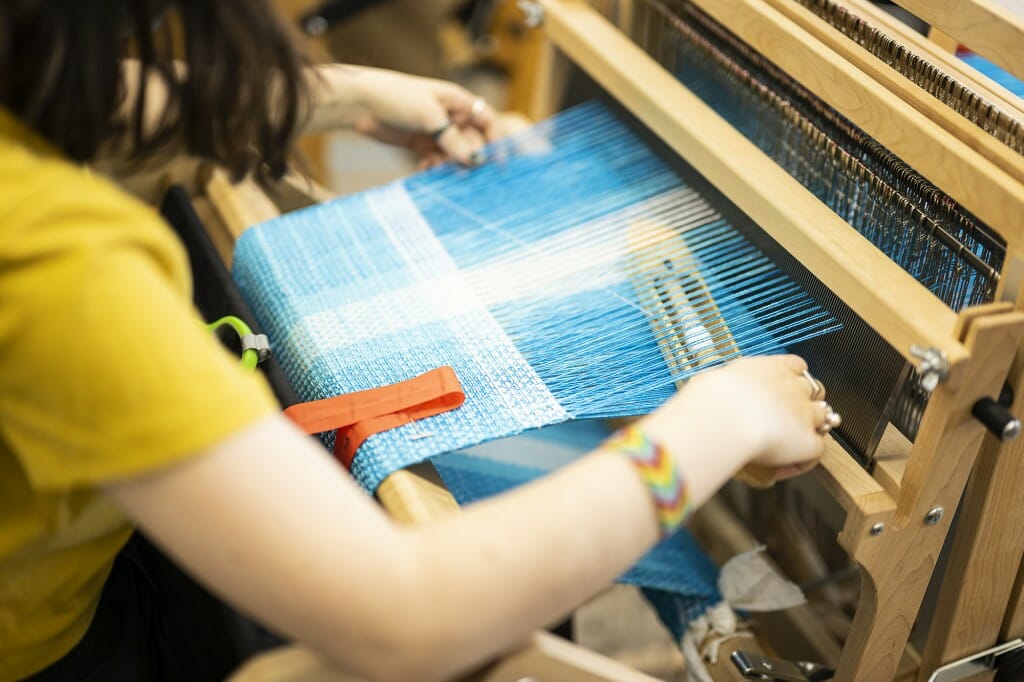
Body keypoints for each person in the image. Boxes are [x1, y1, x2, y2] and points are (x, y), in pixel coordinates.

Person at [0, 1, 834, 680]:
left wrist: (342, 93)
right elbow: (405, 619)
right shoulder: (58, 259)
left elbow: (61, 83)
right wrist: (714, 425)